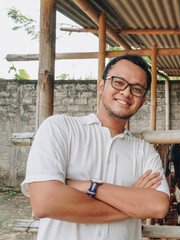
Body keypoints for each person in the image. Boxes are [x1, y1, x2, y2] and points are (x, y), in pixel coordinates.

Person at [21, 54, 170, 240]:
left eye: (137, 88)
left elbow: (158, 206)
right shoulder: (60, 128)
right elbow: (45, 203)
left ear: (143, 99)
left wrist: (91, 187)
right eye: (118, 82)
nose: (126, 92)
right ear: (101, 85)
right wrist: (133, 204)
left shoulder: (144, 151)